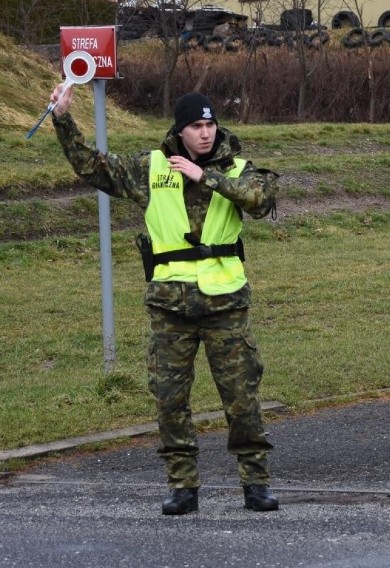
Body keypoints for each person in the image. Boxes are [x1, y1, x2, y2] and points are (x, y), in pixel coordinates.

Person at [49, 86, 280, 515]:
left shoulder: (240, 167)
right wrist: (63, 118)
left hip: (225, 305)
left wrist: (205, 176)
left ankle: (256, 482)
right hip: (170, 307)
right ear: (180, 129)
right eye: (197, 126)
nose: (206, 133)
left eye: (211, 125)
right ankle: (182, 485)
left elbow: (261, 201)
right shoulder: (151, 168)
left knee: (242, 398)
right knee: (170, 399)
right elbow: (91, 166)